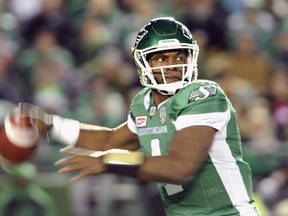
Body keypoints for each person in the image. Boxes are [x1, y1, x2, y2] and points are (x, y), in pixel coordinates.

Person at [5, 17, 259, 216]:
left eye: (179, 56)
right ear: (144, 62)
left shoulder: (204, 94)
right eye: (161, 58)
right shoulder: (144, 102)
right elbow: (110, 140)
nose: (172, 65)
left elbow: (179, 168)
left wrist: (109, 162)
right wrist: (52, 125)